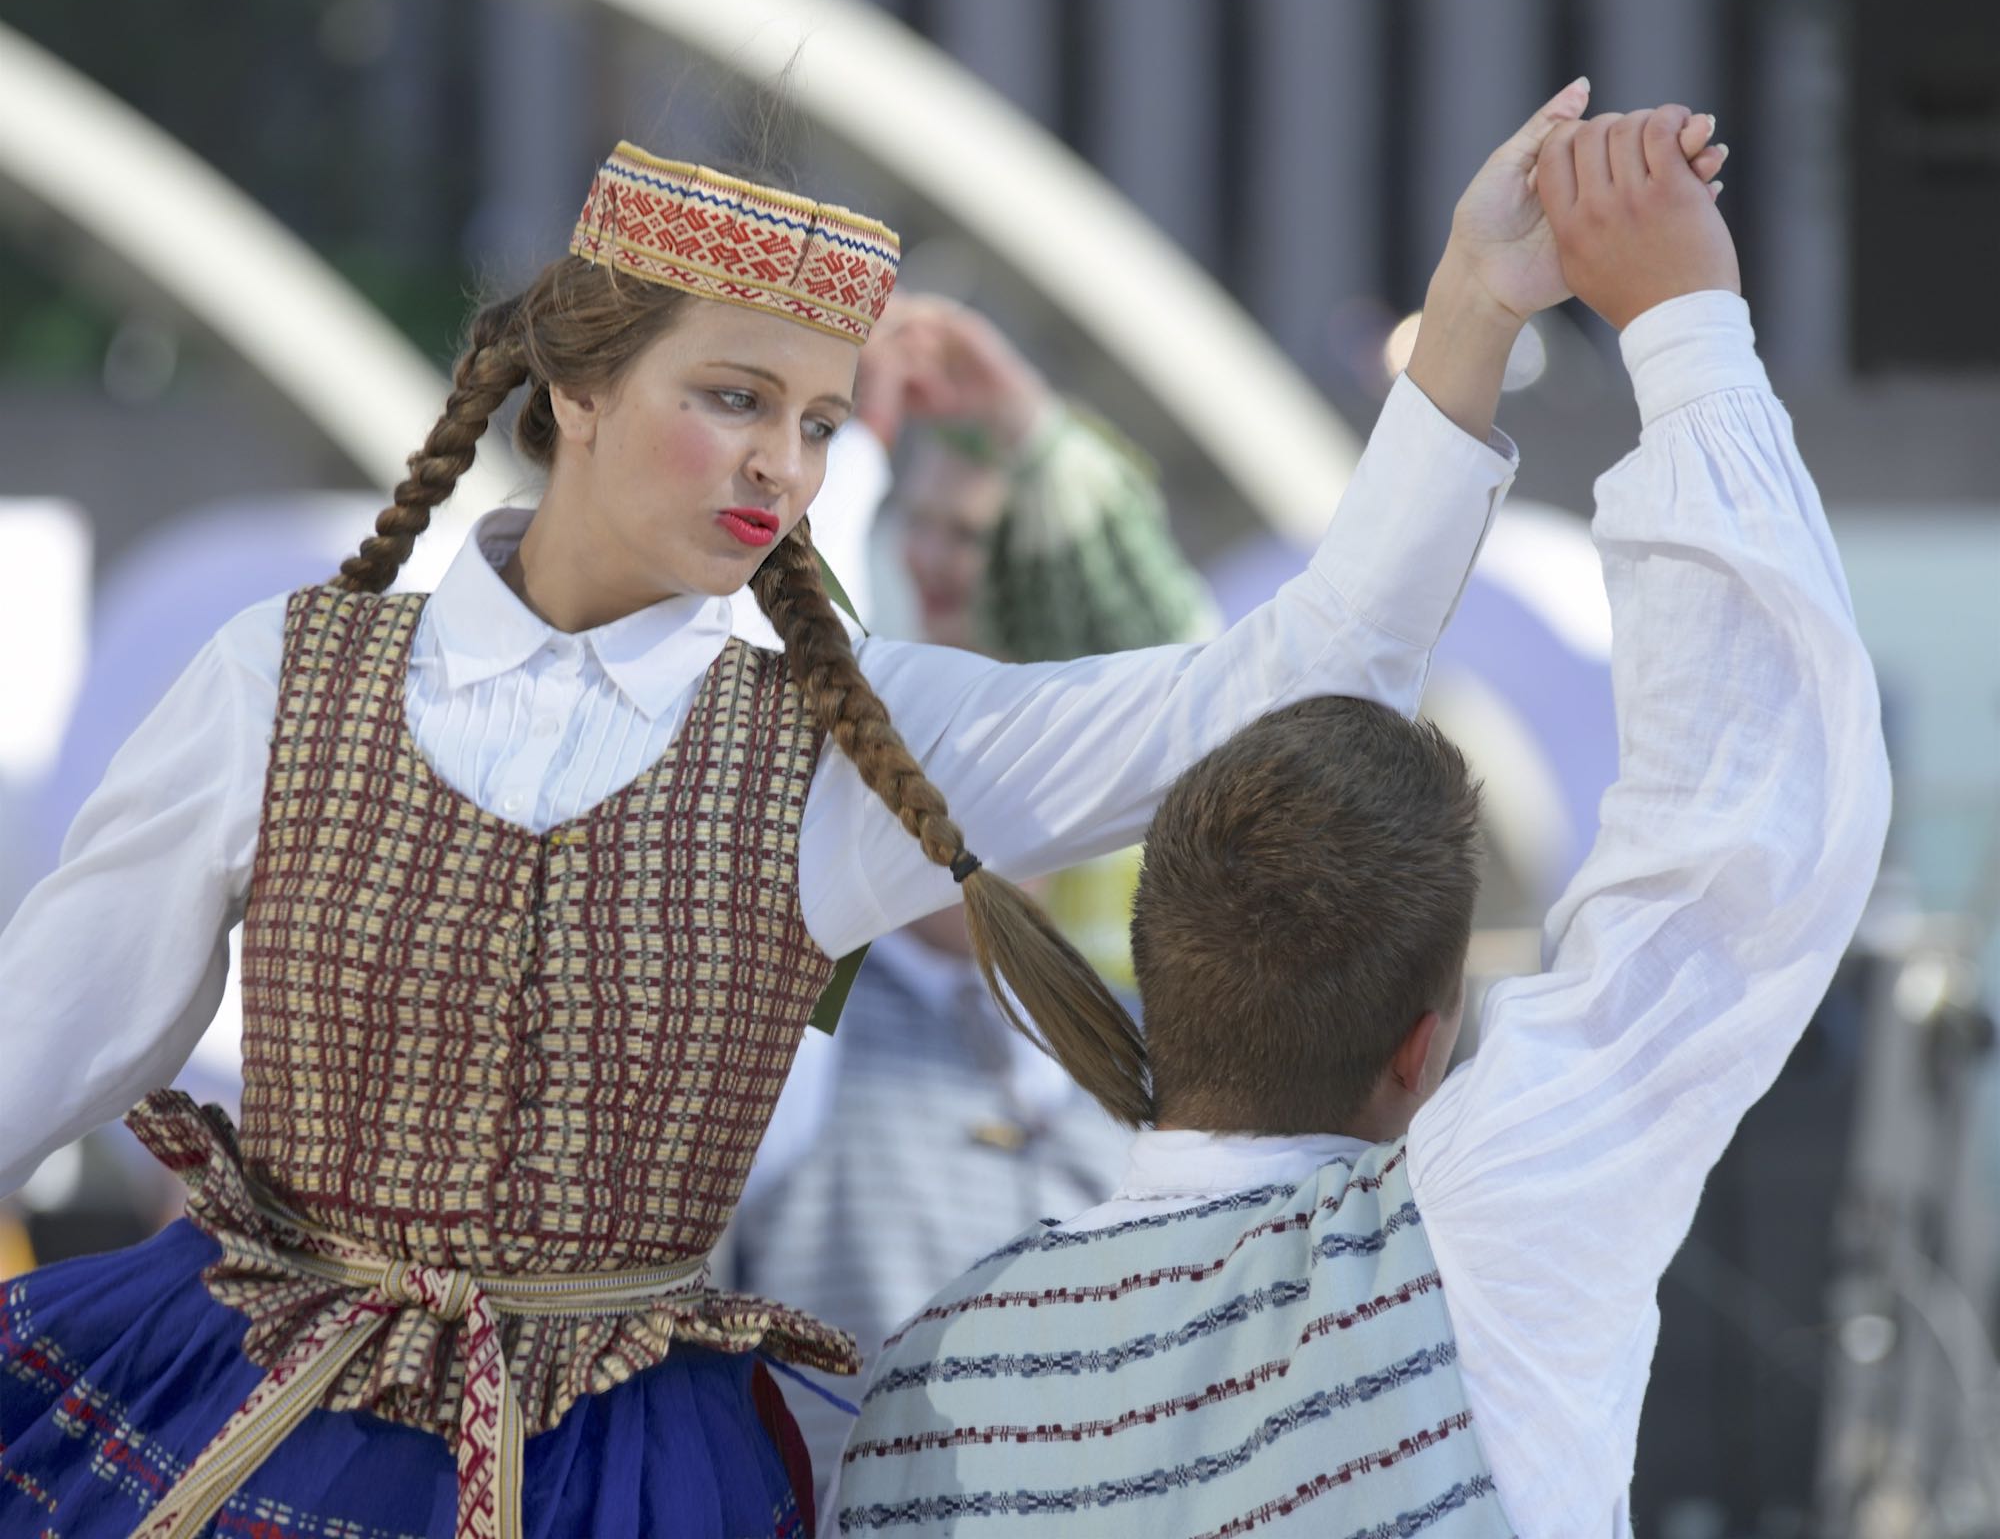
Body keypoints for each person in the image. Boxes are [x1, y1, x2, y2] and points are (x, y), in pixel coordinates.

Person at [0, 81, 1721, 1539]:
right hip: (244, 1419)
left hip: (627, 1478)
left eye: (820, 421)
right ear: (575, 392)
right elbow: (40, 1044)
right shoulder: (281, 676)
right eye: (734, 399)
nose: (786, 466)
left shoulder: (835, 745)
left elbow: (1296, 679)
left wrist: (1475, 308)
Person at [833, 103, 1891, 1538]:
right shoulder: (1473, 1251)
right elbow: (1739, 861)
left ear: (1159, 975)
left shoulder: (936, 1378)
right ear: (1422, 1048)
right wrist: (1680, 325)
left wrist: (1544, 308)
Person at [728, 297, 1218, 1513]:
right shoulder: (792, 1019)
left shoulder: (1152, 1050)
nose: (946, 563)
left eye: (981, 537)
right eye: (928, 527)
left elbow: (1197, 680)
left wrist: (1032, 431)